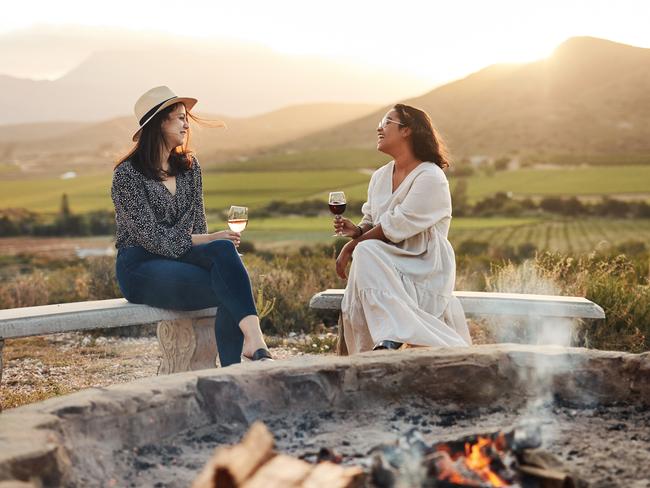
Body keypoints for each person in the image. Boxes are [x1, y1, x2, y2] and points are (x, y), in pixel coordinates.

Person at [111, 85, 272, 366]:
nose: (187, 124)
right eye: (180, 117)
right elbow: (153, 238)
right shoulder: (127, 175)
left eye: (186, 118)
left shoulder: (189, 167)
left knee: (223, 252)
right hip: (140, 266)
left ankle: (254, 342)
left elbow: (199, 224)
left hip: (181, 259)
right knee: (227, 286)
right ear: (160, 122)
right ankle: (237, 368)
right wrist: (208, 239)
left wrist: (213, 241)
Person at [334, 104, 472, 353]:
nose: (379, 128)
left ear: (407, 130)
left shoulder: (430, 176)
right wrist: (356, 230)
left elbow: (396, 225)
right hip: (385, 259)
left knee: (365, 252)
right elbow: (372, 220)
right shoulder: (379, 176)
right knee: (367, 252)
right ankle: (386, 339)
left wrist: (353, 245)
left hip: (423, 264)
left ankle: (391, 336)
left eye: (386, 122)